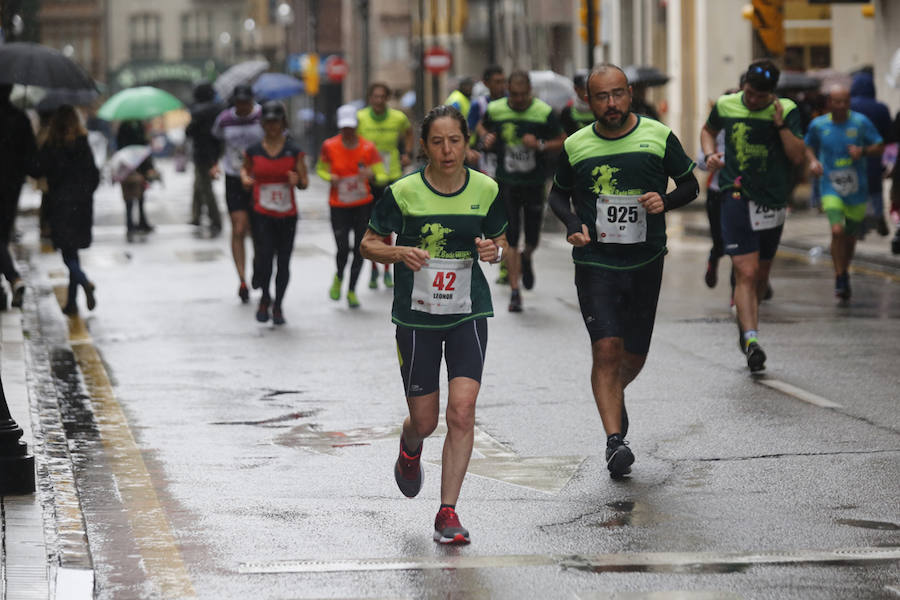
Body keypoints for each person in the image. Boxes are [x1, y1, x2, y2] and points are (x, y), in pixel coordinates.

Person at [360, 105, 508, 545]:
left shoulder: (486, 188)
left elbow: (499, 241)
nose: (448, 150)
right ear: (424, 147)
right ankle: (411, 445)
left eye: (456, 141)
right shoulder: (403, 193)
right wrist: (398, 253)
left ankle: (448, 512)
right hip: (416, 317)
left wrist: (492, 252)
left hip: (467, 312)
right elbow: (369, 244)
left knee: (462, 411)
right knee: (424, 421)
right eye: (438, 142)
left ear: (467, 143)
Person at [548, 64, 698, 479]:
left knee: (633, 356)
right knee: (607, 350)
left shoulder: (658, 136)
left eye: (617, 94)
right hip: (596, 263)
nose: (611, 104)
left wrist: (664, 202)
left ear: (629, 94)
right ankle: (616, 442)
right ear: (587, 100)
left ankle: (614, 394)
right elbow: (558, 197)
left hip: (646, 260)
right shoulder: (576, 144)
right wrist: (574, 225)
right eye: (601, 97)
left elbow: (690, 185)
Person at [700, 60, 806, 372]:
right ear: (743, 84)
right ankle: (751, 339)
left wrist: (781, 125)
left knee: (760, 274)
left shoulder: (787, 110)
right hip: (735, 194)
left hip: (772, 200)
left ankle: (746, 325)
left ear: (772, 94)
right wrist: (709, 155)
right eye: (750, 92)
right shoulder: (726, 104)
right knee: (744, 272)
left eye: (761, 96)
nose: (753, 100)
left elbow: (797, 155)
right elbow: (708, 130)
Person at [480, 70, 566, 311]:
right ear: (508, 90)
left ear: (530, 91)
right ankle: (515, 292)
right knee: (511, 237)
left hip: (534, 182)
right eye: (514, 94)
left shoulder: (543, 112)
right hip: (507, 182)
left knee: (532, 239)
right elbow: (482, 128)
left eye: (522, 95)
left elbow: (562, 140)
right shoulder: (497, 109)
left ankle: (527, 258)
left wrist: (539, 144)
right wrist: (486, 139)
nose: (518, 99)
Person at [805, 84, 883, 301]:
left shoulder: (860, 122)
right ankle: (839, 276)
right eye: (836, 101)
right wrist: (812, 162)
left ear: (849, 102)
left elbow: (879, 145)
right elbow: (808, 145)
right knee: (837, 231)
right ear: (829, 102)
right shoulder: (819, 125)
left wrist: (863, 151)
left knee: (850, 237)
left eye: (845, 102)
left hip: (857, 189)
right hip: (830, 186)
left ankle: (844, 271)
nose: (840, 106)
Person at [240, 102, 309, 325]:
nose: (272, 126)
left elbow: (304, 182)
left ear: (283, 123)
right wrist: (244, 179)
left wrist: (297, 180)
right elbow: (245, 170)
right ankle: (265, 298)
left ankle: (278, 304)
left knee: (284, 262)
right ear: (262, 124)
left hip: (287, 215)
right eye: (268, 122)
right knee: (265, 258)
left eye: (276, 122)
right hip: (261, 213)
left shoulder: (294, 151)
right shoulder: (253, 151)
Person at [317, 104, 388, 308]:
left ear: (356, 126)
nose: (347, 131)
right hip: (338, 204)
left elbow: (381, 174)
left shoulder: (368, 147)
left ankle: (352, 290)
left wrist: (372, 175)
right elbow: (320, 169)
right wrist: (329, 177)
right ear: (339, 127)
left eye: (351, 127)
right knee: (342, 248)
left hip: (362, 204)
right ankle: (339, 276)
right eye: (344, 127)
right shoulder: (329, 146)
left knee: (360, 247)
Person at [37, 105, 100, 316]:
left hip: (60, 205)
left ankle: (83, 281)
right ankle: (72, 302)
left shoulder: (52, 144)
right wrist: (85, 193)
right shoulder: (82, 143)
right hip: (81, 205)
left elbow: (38, 169)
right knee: (73, 252)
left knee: (68, 254)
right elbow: (93, 174)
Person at [357, 83, 414, 290]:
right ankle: (373, 268)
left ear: (387, 98)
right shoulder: (361, 118)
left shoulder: (398, 118)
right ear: (370, 98)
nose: (379, 100)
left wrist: (407, 152)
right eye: (375, 96)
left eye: (382, 96)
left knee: (389, 225)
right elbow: (353, 142)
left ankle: (388, 270)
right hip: (370, 178)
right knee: (372, 224)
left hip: (393, 176)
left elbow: (409, 133)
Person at [211, 84, 263, 303]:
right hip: (233, 177)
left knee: (258, 230)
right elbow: (215, 141)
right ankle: (242, 279)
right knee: (239, 227)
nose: (242, 107)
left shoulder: (264, 115)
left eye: (246, 103)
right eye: (239, 103)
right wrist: (214, 163)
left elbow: (279, 138)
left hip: (260, 179)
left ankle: (258, 266)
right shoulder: (224, 119)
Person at [0, 83, 37, 310]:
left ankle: (13, 278)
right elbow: (31, 158)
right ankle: (12, 280)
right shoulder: (19, 118)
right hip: (11, 185)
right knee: (3, 233)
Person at [849, 70, 892, 237]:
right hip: (874, 153)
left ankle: (859, 223)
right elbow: (888, 133)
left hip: (851, 154)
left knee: (855, 188)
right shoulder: (881, 108)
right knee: (875, 187)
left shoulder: (850, 105)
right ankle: (879, 215)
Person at [185, 82, 223, 236]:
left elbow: (190, 132)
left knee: (205, 187)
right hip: (212, 152)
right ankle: (196, 215)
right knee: (198, 185)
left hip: (202, 154)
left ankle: (216, 220)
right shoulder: (217, 110)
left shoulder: (199, 112)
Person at [115, 120, 158, 241]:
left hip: (134, 165)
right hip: (132, 166)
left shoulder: (134, 126)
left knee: (138, 196)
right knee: (132, 196)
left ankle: (138, 222)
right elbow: (141, 147)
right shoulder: (132, 127)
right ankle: (132, 224)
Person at [560, 71, 594, 136]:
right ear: (575, 89)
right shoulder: (568, 111)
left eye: (589, 87)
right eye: (583, 88)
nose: (586, 91)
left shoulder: (601, 107)